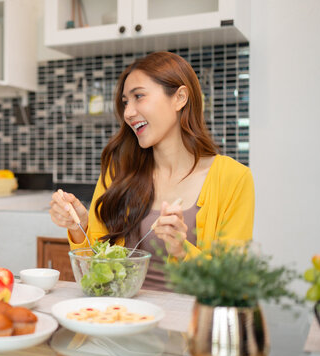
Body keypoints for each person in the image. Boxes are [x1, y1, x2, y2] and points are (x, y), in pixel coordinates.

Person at [50, 51, 254, 291]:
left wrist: (181, 248)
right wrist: (79, 227)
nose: (128, 112)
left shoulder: (233, 178)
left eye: (139, 96)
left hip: (188, 324)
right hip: (120, 319)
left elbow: (231, 284)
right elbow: (98, 274)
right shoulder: (118, 172)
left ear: (179, 98)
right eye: (126, 101)